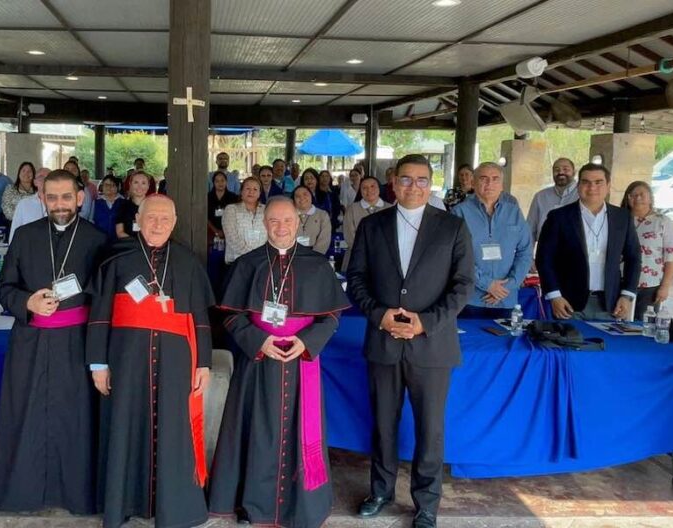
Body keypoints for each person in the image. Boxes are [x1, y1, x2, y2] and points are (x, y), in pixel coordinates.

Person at [347, 154, 474, 528]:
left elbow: (463, 285)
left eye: (421, 180)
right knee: (383, 423)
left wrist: (425, 323)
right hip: (383, 341)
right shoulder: (372, 226)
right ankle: (381, 490)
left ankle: (426, 503)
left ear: (431, 184)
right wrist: (379, 314)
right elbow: (356, 279)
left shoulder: (452, 227)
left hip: (432, 346)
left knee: (430, 429)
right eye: (406, 179)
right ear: (393, 182)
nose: (413, 186)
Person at [209, 196, 349, 528]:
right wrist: (260, 341)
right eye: (274, 221)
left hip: (302, 362)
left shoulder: (316, 265)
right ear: (264, 224)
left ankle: (301, 506)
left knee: (300, 434)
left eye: (287, 221)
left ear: (297, 223)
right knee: (256, 432)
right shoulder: (247, 264)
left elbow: (330, 318)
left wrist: (304, 342)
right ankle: (253, 506)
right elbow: (230, 317)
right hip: (258, 362)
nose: (281, 227)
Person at [86, 194, 214, 528]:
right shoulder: (115, 257)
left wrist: (203, 363)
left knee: (174, 430)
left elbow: (199, 316)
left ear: (174, 222)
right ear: (138, 219)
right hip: (126, 359)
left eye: (165, 219)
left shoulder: (187, 261)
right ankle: (123, 502)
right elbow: (99, 314)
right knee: (125, 426)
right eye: (151, 217)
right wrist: (98, 363)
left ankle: (175, 507)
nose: (158, 225)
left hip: (176, 361)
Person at [0, 170, 107, 514]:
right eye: (52, 197)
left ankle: (76, 495)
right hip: (31, 340)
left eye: (66, 197)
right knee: (25, 415)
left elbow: (103, 301)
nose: (59, 205)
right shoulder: (25, 236)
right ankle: (21, 493)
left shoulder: (97, 239)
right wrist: (28, 302)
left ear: (80, 198)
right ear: (41, 198)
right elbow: (4, 289)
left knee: (76, 420)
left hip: (76, 342)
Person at [536, 163, 641, 321]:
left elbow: (634, 258)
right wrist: (554, 295)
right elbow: (544, 258)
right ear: (578, 186)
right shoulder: (558, 217)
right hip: (567, 303)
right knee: (568, 345)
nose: (592, 187)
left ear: (608, 186)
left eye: (598, 182)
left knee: (608, 346)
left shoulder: (622, 217)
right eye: (586, 182)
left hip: (610, 304)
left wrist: (627, 295)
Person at [451, 162, 532, 318]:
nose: (490, 184)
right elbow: (456, 256)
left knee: (505, 340)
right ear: (473, 182)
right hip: (470, 299)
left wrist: (508, 286)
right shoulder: (459, 212)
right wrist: (487, 284)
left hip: (506, 298)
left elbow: (525, 252)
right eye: (484, 178)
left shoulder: (514, 212)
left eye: (495, 179)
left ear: (502, 185)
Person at [620, 181, 673, 320]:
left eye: (642, 194)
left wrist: (665, 286)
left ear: (651, 198)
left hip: (650, 285)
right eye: (633, 195)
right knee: (618, 324)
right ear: (627, 198)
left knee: (644, 326)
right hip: (621, 282)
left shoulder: (663, 221)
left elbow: (671, 257)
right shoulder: (619, 220)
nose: (638, 198)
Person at [342, 176, 390, 271]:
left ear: (379, 188)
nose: (369, 190)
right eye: (364, 188)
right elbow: (349, 236)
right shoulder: (352, 209)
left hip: (384, 258)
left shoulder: (390, 208)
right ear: (360, 190)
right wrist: (365, 252)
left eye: (373, 186)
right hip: (357, 257)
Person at [527, 158, 579, 242]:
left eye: (566, 169)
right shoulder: (540, 196)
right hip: (545, 250)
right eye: (556, 170)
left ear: (574, 172)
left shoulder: (582, 195)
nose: (561, 172)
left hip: (575, 251)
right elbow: (530, 229)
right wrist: (528, 254)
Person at [222, 177, 267, 264]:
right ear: (241, 191)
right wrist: (251, 255)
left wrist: (261, 255)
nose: (251, 192)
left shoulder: (266, 210)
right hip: (237, 261)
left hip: (261, 261)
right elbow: (231, 237)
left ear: (259, 193)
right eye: (247, 188)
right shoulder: (231, 209)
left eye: (255, 189)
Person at [9, 167, 50, 242]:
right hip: (29, 250)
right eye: (41, 177)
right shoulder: (24, 204)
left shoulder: (60, 204)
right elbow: (14, 232)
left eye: (49, 177)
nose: (45, 180)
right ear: (35, 182)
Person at [293, 185, 332, 254]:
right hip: (293, 255)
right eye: (297, 196)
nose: (302, 198)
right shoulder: (288, 215)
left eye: (305, 194)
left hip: (316, 256)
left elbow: (324, 239)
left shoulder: (322, 215)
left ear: (311, 195)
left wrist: (314, 257)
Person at [116, 170, 152, 238]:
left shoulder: (154, 207)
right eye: (136, 182)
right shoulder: (123, 206)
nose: (139, 186)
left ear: (148, 186)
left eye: (143, 183)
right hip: (129, 246)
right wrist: (136, 244)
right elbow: (120, 232)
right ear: (130, 184)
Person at [207, 170, 239, 244]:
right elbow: (206, 217)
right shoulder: (208, 197)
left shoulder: (233, 197)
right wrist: (216, 231)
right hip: (212, 230)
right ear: (213, 183)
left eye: (222, 180)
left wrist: (225, 231)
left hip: (229, 231)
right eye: (217, 181)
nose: (220, 183)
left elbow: (235, 216)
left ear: (226, 182)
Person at [92, 175, 124, 242]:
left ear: (117, 187)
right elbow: (91, 222)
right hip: (99, 242)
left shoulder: (123, 202)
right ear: (102, 187)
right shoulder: (96, 202)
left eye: (112, 185)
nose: (109, 187)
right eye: (106, 185)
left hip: (119, 242)